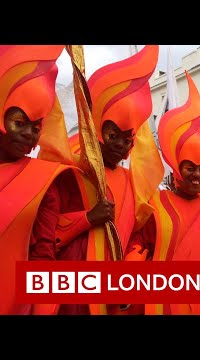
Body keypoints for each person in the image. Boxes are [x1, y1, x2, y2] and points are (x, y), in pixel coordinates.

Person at [53, 45, 161, 315]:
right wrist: (87, 218)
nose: (121, 146)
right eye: (113, 135)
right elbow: (48, 234)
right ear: (97, 130)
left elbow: (138, 234)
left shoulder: (132, 181)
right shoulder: (72, 173)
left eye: (128, 140)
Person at [125, 71, 200, 315]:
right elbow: (139, 244)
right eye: (190, 168)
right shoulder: (157, 203)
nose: (197, 175)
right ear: (175, 169)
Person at [0, 45, 75, 314]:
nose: (29, 134)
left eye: (36, 127)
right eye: (20, 123)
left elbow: (43, 254)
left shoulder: (45, 179)